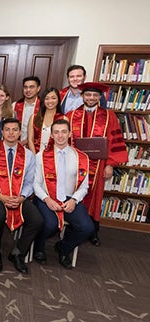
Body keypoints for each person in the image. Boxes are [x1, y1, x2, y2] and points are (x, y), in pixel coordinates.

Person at [66, 82, 127, 246]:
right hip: (75, 166)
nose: (91, 98)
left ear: (100, 97)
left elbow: (115, 141)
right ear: (82, 96)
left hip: (99, 165)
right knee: (74, 193)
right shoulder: (71, 115)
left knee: (95, 197)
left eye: (94, 95)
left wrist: (110, 165)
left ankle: (93, 230)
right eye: (88, 95)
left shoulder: (109, 116)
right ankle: (74, 226)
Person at [0, 118, 43, 274]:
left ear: (20, 132)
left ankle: (18, 253)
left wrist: (22, 196)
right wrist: (0, 196)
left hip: (19, 196)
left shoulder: (28, 155)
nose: (11, 133)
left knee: (37, 220)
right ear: (2, 132)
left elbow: (30, 182)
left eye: (15, 129)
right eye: (7, 129)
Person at [32, 119, 94, 269]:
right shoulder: (41, 156)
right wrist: (46, 199)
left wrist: (74, 200)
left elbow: (84, 186)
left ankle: (64, 247)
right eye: (56, 132)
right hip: (46, 197)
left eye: (64, 132)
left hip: (69, 198)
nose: (60, 136)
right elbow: (35, 184)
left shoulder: (81, 158)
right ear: (51, 135)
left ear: (70, 134)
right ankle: (38, 247)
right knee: (49, 224)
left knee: (87, 228)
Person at [27, 87, 65, 154]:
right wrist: (35, 157)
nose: (50, 101)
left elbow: (63, 142)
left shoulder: (63, 119)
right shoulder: (34, 117)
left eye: (53, 98)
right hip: (34, 156)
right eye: (47, 98)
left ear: (58, 100)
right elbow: (30, 139)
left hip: (53, 158)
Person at [12, 76, 41, 144]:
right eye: (25, 87)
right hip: (17, 145)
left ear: (38, 88)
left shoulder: (43, 106)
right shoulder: (15, 105)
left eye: (31, 87)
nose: (28, 90)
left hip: (36, 146)